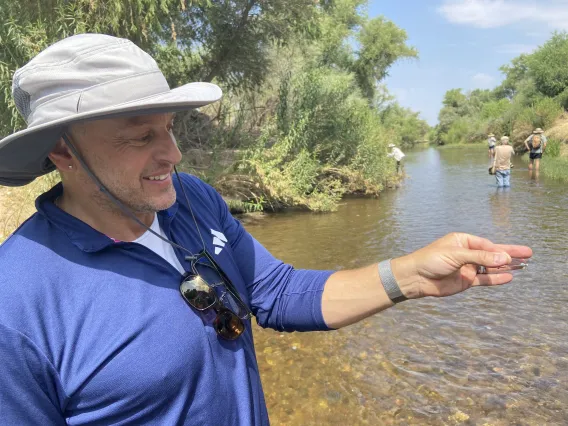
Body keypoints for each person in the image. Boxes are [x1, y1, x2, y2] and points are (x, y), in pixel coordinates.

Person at [0, 34, 532, 425]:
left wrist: (411, 276)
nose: (173, 153)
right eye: (139, 137)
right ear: (64, 150)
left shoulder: (191, 201)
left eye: (169, 128)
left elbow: (277, 292)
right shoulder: (17, 303)